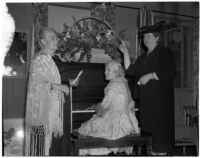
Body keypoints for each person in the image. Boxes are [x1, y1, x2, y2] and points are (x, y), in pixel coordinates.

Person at [119, 22, 176, 155]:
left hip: (161, 104)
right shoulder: (143, 57)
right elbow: (130, 70)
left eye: (150, 36)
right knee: (149, 140)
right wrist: (125, 52)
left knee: (160, 140)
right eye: (144, 37)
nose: (146, 39)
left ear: (157, 38)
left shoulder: (165, 53)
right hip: (146, 103)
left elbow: (171, 72)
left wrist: (150, 76)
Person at [25, 27, 78, 156]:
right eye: (52, 38)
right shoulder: (39, 60)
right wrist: (60, 87)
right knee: (44, 148)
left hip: (58, 109)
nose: (56, 41)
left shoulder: (56, 59)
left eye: (56, 38)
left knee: (57, 147)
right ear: (42, 42)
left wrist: (70, 83)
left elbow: (58, 79)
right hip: (44, 111)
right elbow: (36, 85)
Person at [77, 60, 140, 155]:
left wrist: (95, 107)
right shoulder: (124, 82)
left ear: (115, 73)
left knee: (87, 130)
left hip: (114, 122)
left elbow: (103, 108)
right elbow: (131, 103)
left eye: (108, 70)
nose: (105, 72)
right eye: (105, 69)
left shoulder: (113, 85)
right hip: (127, 122)